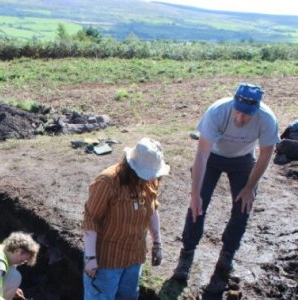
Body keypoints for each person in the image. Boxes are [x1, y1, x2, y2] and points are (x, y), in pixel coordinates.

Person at [171, 83, 279, 292]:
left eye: (246, 116)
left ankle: (227, 256)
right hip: (212, 158)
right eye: (237, 113)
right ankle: (187, 254)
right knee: (198, 205)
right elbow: (202, 154)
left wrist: (249, 187)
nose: (239, 119)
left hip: (243, 160)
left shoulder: (267, 119)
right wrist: (195, 194)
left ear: (256, 110)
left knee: (243, 208)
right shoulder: (217, 111)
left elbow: (266, 155)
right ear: (233, 104)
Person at [82, 137, 169, 300]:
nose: (149, 179)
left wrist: (157, 242)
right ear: (132, 168)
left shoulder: (150, 182)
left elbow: (152, 209)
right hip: (107, 261)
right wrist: (90, 257)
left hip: (134, 258)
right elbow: (91, 219)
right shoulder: (107, 183)